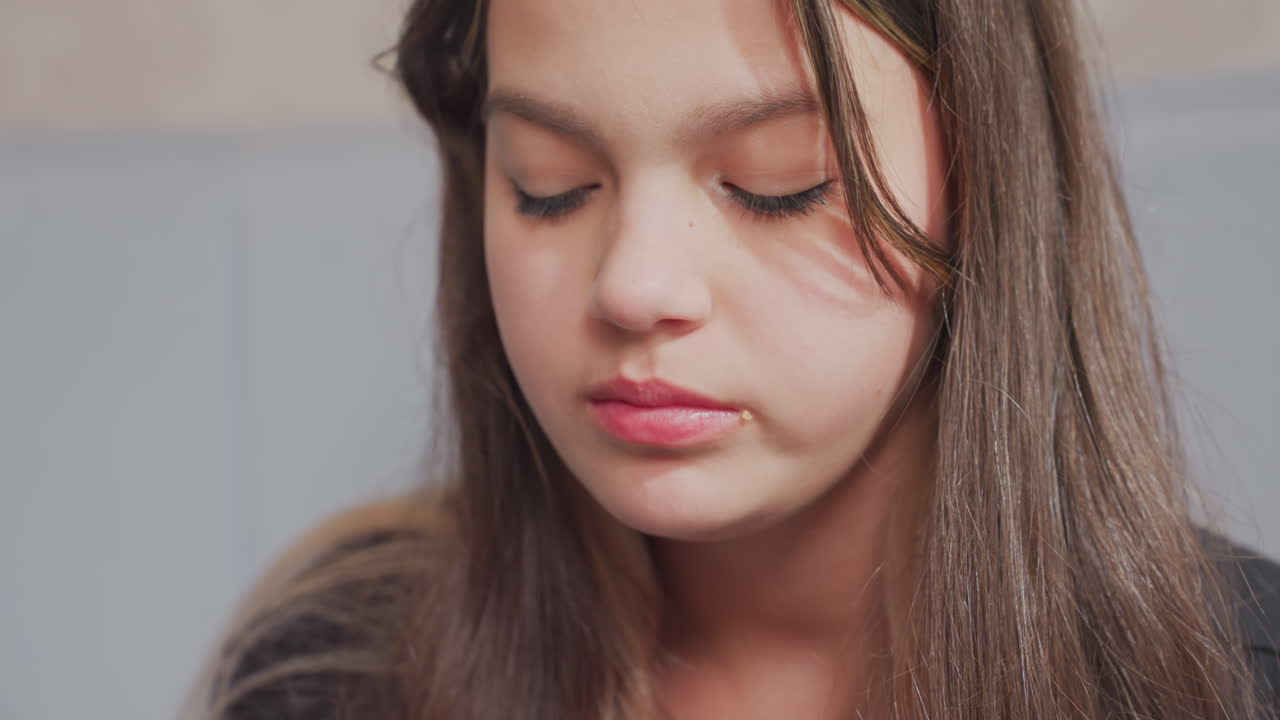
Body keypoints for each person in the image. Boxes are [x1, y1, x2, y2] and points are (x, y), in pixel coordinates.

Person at [188, 0, 1280, 718]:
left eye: (776, 181)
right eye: (549, 181)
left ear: (984, 184)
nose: (632, 285)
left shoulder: (1229, 680)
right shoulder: (331, 674)